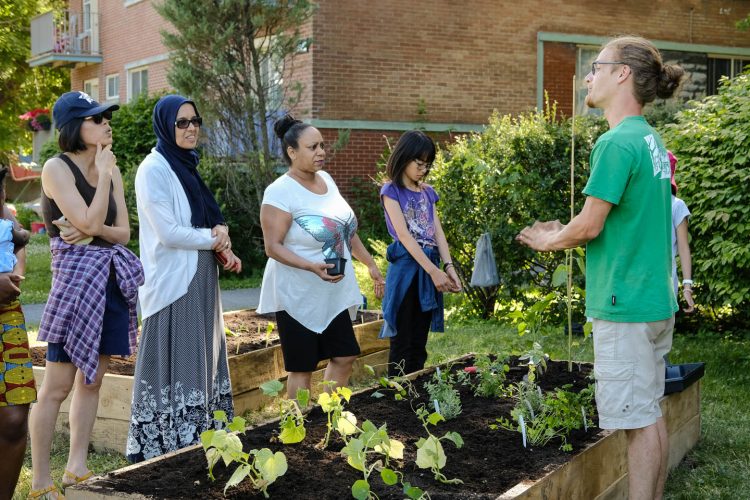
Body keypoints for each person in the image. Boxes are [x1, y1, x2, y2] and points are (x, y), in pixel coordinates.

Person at [516, 36, 684, 500]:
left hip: (624, 304)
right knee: (649, 412)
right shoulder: (649, 139)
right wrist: (564, 228)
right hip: (653, 300)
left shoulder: (615, 143)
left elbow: (590, 226)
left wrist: (549, 239)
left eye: (597, 67)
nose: (589, 77)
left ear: (622, 73)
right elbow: (619, 218)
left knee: (637, 422)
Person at [29, 91, 143, 499]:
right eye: (97, 118)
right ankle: (40, 480)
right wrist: (96, 214)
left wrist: (93, 229)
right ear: (75, 127)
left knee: (92, 380)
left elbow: (122, 234)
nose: (106, 123)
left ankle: (76, 467)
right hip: (75, 285)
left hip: (108, 281)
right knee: (56, 387)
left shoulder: (110, 167)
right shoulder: (56, 168)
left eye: (106, 117)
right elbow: (94, 221)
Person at [126, 95, 241, 463]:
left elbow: (205, 218)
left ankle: (203, 437)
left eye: (195, 121)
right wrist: (214, 238)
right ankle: (168, 444)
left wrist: (221, 235)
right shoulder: (154, 169)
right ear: (165, 126)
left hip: (200, 276)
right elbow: (169, 233)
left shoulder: (187, 166)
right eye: (182, 122)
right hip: (174, 282)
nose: (191, 128)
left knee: (201, 356)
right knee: (179, 358)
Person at [257, 114, 384, 399]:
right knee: (302, 367)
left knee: (345, 355)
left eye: (322, 146)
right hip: (298, 293)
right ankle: (298, 420)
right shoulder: (279, 192)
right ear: (292, 152)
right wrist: (311, 266)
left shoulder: (326, 180)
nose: (321, 152)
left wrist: (370, 263)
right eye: (312, 147)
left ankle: (329, 413)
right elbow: (272, 247)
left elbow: (345, 230)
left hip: (332, 291)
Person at [378, 131, 461, 377]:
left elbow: (438, 233)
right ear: (404, 157)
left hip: (429, 267)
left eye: (427, 165)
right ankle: (397, 393)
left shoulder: (427, 192)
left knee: (418, 341)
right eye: (419, 163)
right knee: (402, 339)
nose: (423, 170)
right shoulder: (391, 191)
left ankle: (416, 391)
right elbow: (404, 236)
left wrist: (449, 267)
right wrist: (434, 271)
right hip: (406, 270)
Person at [0, 169, 36, 500]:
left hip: (6, 314)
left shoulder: (5, 213)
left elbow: (18, 240)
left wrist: (16, 271)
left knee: (13, 420)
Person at [668, 151, 695, 314]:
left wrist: (687, 285)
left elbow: (684, 248)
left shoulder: (677, 205)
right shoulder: (640, 204)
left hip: (666, 282)